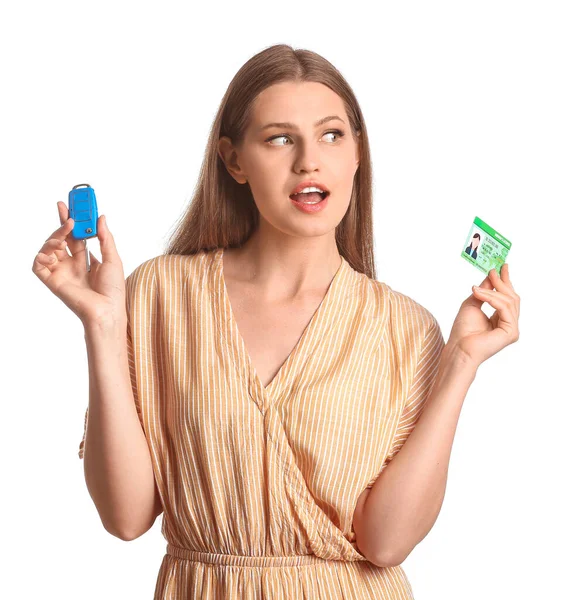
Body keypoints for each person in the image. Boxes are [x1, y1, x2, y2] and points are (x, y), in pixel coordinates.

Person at [32, 43, 520, 599]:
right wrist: (100, 324)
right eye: (280, 138)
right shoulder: (159, 294)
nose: (309, 159)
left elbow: (386, 544)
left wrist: (460, 362)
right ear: (234, 160)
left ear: (358, 153)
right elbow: (126, 517)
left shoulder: (404, 328)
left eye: (332, 134)